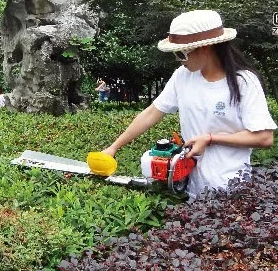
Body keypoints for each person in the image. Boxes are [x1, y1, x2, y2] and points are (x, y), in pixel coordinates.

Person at [102, 10, 277, 198]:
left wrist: (210, 138)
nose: (178, 59)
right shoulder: (182, 76)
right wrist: (113, 147)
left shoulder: (243, 82)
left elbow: (264, 138)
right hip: (191, 188)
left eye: (181, 53)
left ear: (205, 47)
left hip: (231, 189)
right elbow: (152, 113)